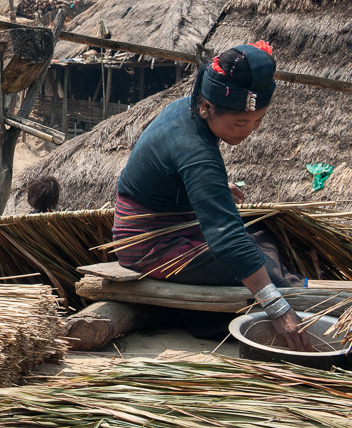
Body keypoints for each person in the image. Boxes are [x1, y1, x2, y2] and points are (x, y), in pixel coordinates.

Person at [113, 42, 311, 350]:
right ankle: (293, 309)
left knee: (262, 235)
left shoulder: (188, 109)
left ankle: (291, 291)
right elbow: (227, 237)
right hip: (149, 241)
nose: (249, 130)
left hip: (178, 221)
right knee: (258, 265)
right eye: (240, 122)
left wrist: (208, 187)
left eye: (257, 121)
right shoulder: (194, 148)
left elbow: (173, 170)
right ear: (207, 107)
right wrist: (278, 306)